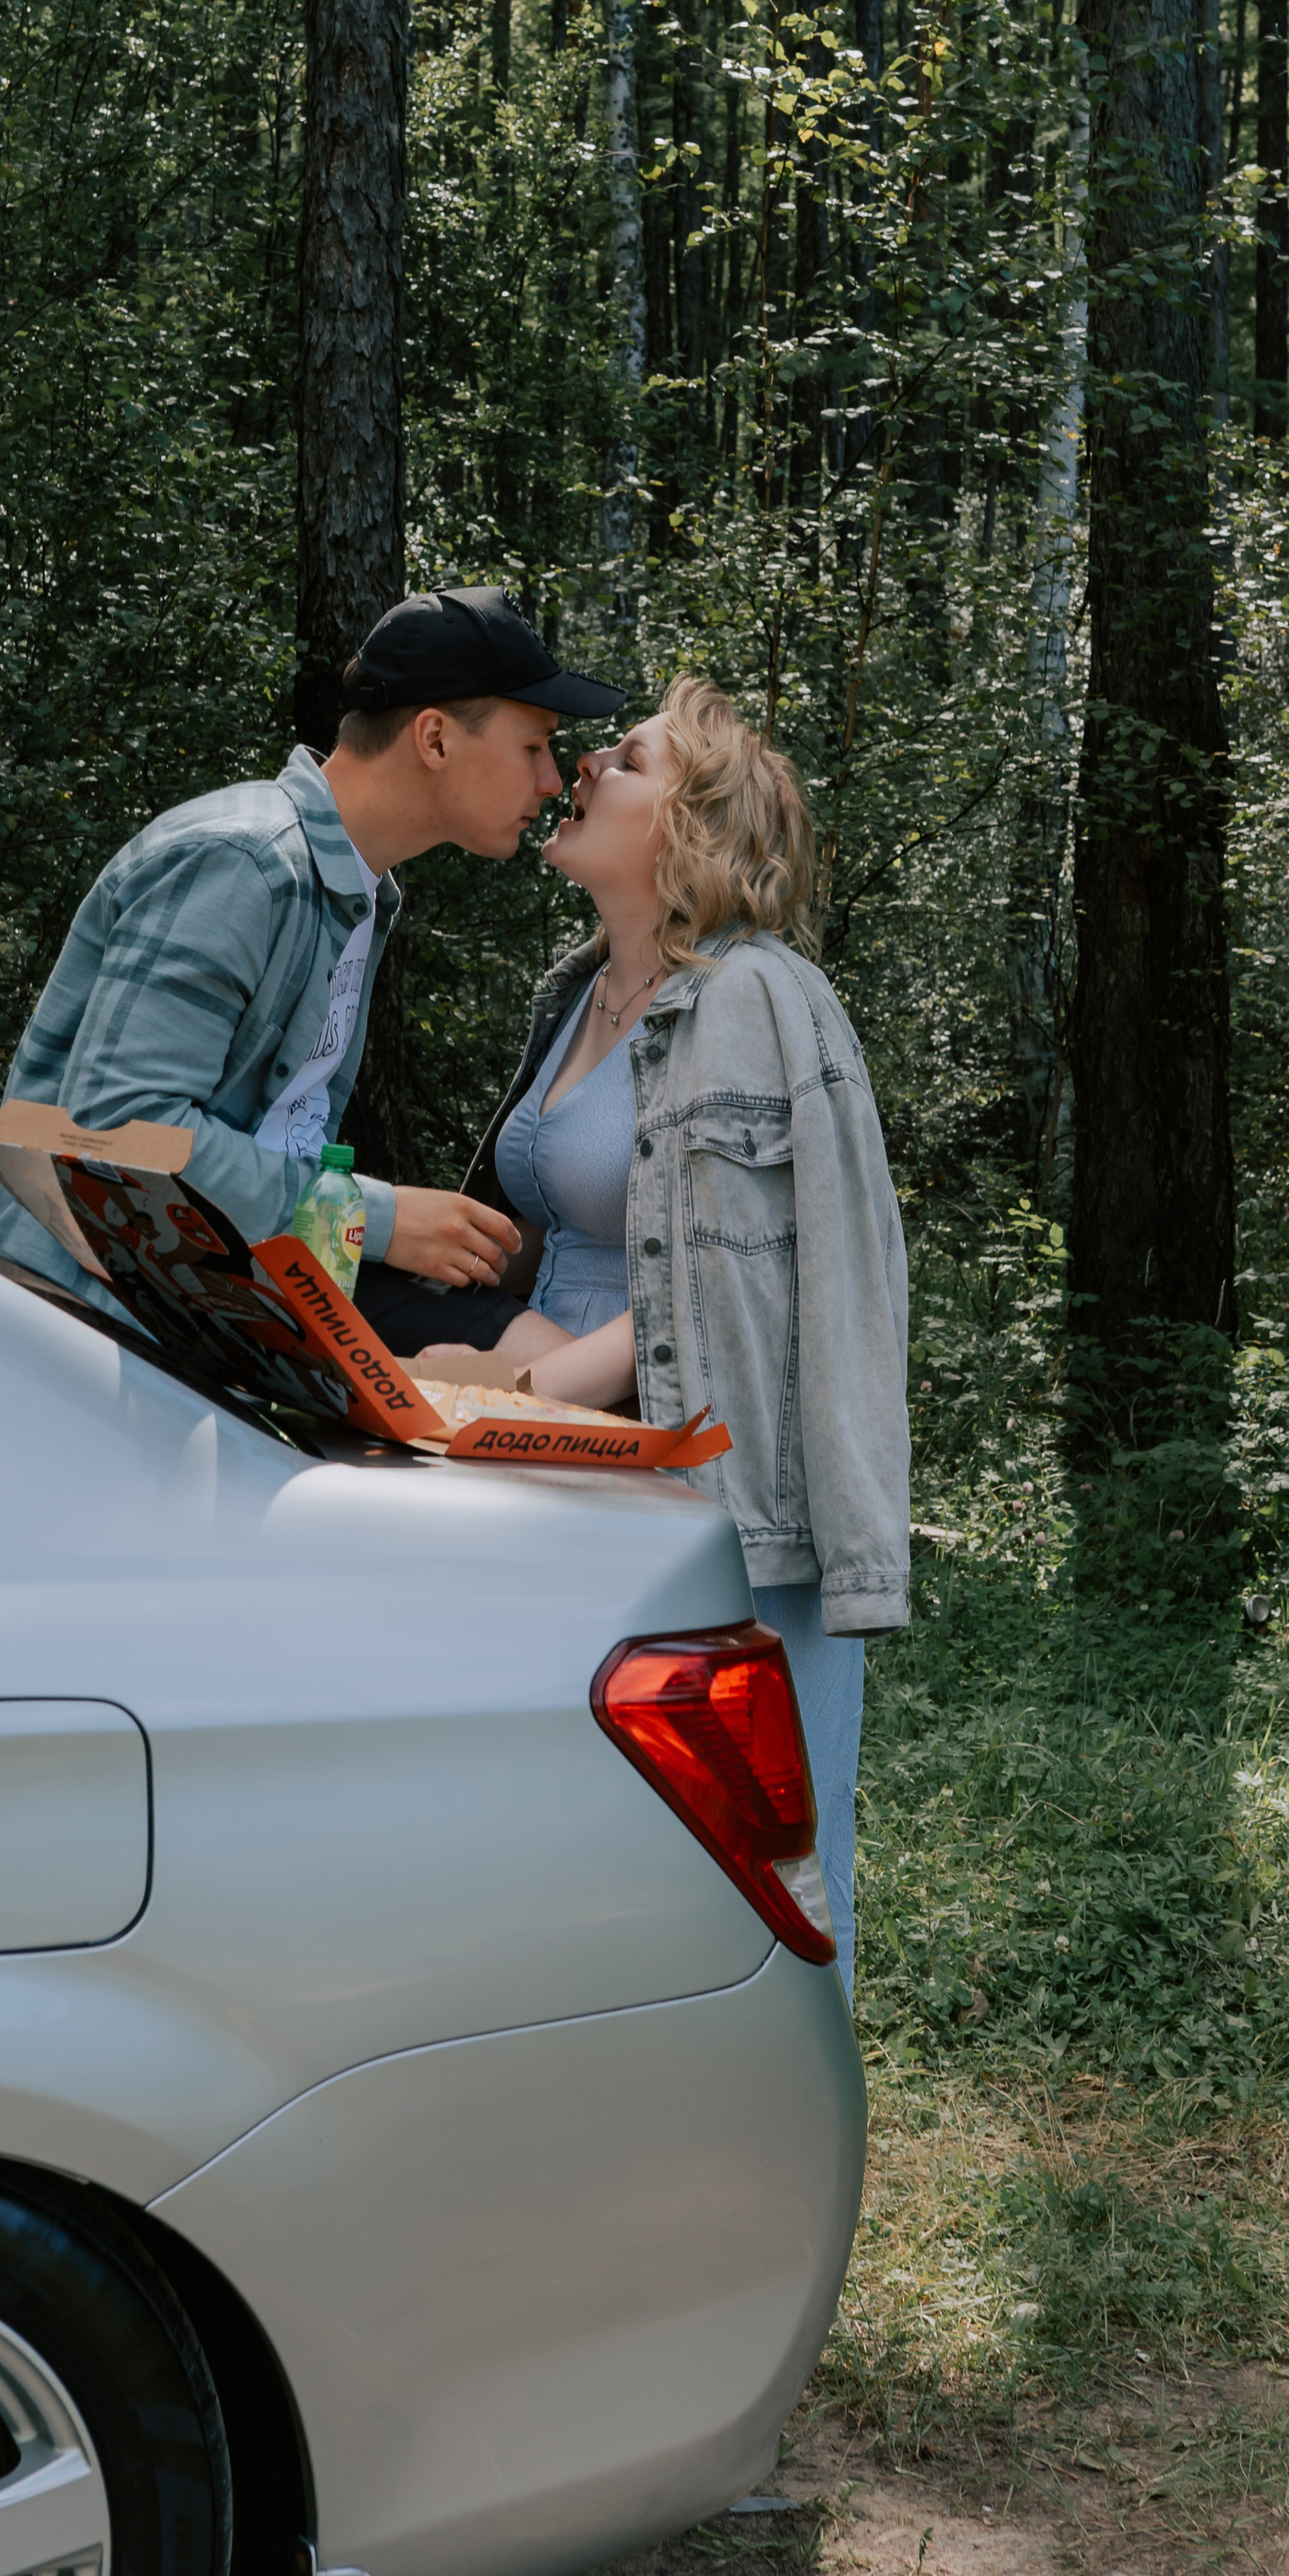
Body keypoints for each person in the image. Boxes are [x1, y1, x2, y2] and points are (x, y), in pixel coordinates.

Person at [436, 673, 909, 1987]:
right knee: (592, 1852)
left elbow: (772, 1277)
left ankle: (779, 2159)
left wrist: (527, 1382)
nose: (584, 764)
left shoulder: (760, 996)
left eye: (628, 759)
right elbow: (555, 1226)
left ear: (693, 826)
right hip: (562, 1456)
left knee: (761, 1877)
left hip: (706, 1481)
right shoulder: (578, 994)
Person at [0, 586, 622, 1303]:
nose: (550, 779)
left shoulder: (353, 889)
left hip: (202, 1325)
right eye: (534, 745)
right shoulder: (248, 863)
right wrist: (373, 1218)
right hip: (91, 1331)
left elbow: (275, 1140)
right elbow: (117, 1135)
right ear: (436, 738)